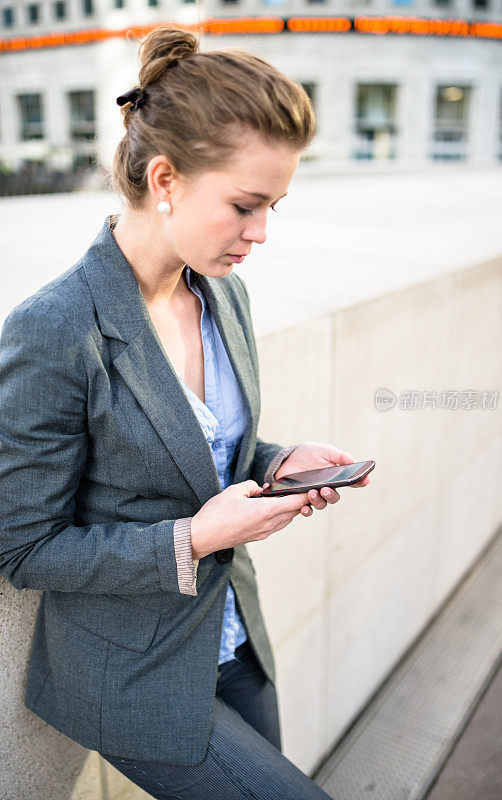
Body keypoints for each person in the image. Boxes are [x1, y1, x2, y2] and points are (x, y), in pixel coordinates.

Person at [0, 27, 370, 800]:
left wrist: (276, 462)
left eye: (275, 204)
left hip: (235, 637)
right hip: (130, 674)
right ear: (164, 178)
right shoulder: (54, 329)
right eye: (245, 204)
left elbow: (199, 446)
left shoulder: (221, 290)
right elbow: (24, 547)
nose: (263, 232)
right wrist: (198, 538)